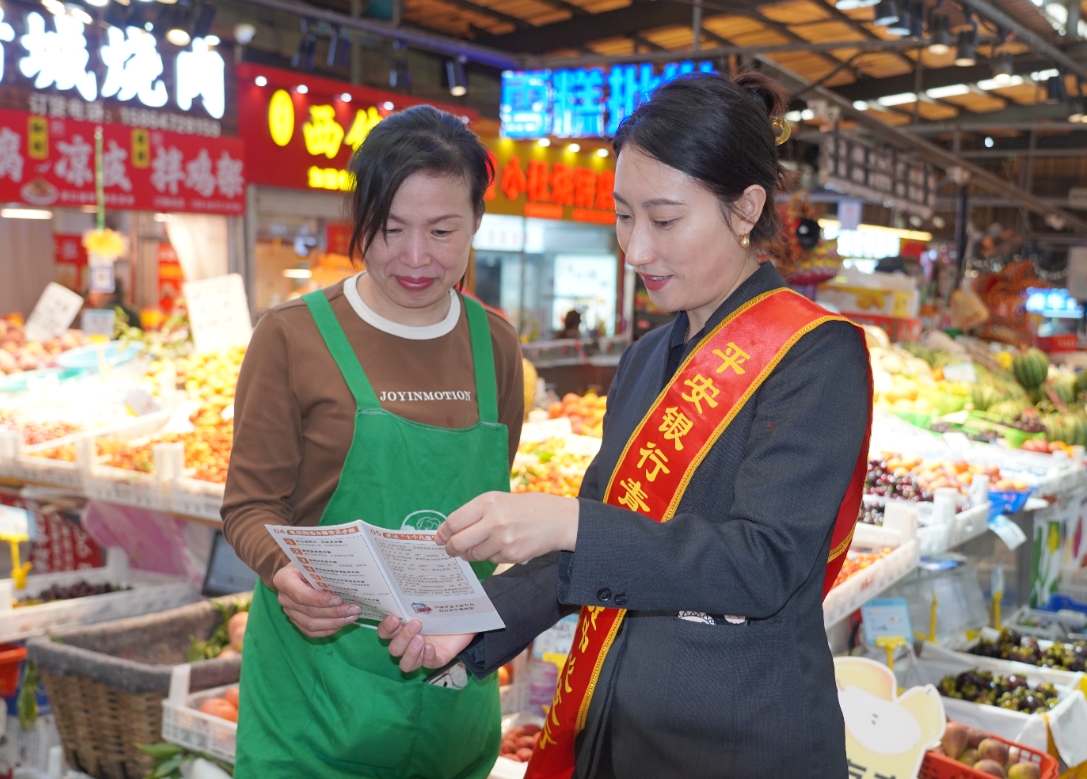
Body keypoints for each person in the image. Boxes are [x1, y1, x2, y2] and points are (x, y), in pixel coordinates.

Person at [379, 72, 872, 778]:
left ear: (745, 209)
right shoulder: (645, 360)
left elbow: (760, 563)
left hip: (739, 745)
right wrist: (473, 616)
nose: (635, 250)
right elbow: (601, 540)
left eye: (664, 219)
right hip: (619, 727)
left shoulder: (815, 354)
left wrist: (570, 522)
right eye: (622, 216)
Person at [222, 105, 525, 779]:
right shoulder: (294, 336)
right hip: (314, 709)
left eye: (443, 231)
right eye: (391, 230)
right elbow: (248, 505)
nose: (416, 257)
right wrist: (281, 572)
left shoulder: (494, 345)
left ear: (476, 222)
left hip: (451, 704)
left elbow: (490, 501)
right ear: (361, 220)